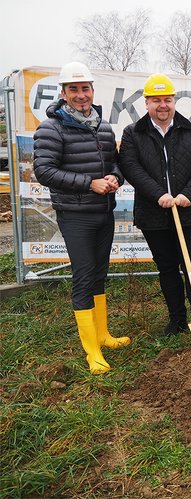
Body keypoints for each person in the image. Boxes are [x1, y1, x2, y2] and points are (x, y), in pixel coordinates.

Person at [33, 61, 129, 375]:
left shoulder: (102, 125)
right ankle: (92, 352)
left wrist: (115, 178)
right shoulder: (51, 127)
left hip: (104, 212)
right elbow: (44, 171)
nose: (80, 95)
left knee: (99, 274)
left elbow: (115, 164)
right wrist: (89, 184)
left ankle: (103, 335)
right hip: (75, 214)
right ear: (63, 93)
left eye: (84, 88)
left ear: (92, 91)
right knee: (84, 277)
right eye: (73, 89)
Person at [119, 74, 191, 337]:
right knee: (168, 268)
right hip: (154, 214)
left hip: (190, 213)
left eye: (168, 100)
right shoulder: (133, 133)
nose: (163, 105)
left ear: (174, 101)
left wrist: (189, 194)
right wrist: (158, 194)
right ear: (147, 103)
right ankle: (177, 320)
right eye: (156, 100)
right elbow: (130, 167)